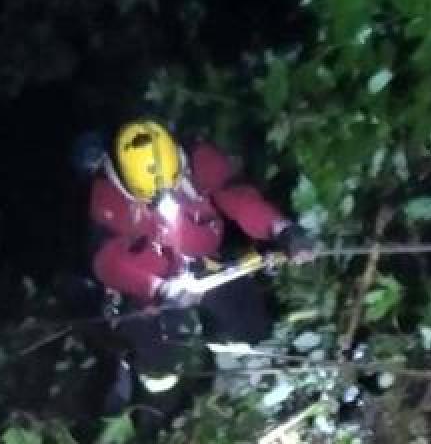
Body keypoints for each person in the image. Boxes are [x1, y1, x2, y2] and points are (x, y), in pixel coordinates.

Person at [83, 119, 313, 419]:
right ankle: (155, 410)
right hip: (151, 291)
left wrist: (279, 228)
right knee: (159, 362)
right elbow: (109, 261)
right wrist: (159, 287)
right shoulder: (108, 197)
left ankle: (248, 385)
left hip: (204, 266)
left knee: (250, 324)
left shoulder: (197, 159)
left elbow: (236, 196)